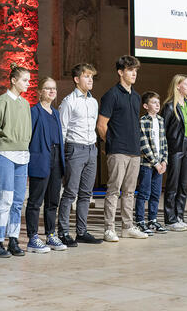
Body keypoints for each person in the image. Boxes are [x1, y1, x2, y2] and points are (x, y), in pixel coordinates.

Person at [0, 63, 32, 258]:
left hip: (22, 155)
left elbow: (28, 130)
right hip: (4, 154)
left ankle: (13, 239)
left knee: (18, 201)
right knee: (5, 199)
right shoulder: (2, 101)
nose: (28, 84)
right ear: (13, 80)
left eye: (28, 80)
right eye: (24, 80)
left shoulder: (25, 104)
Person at [97, 55, 148, 240]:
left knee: (129, 191)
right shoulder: (111, 95)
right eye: (130, 70)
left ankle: (127, 226)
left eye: (135, 70)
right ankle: (109, 228)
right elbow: (102, 124)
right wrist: (110, 144)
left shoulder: (135, 96)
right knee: (113, 190)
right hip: (118, 150)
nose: (134, 73)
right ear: (120, 72)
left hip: (134, 151)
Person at [58, 63, 102, 246]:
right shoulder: (69, 101)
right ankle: (63, 233)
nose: (90, 79)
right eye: (86, 76)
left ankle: (82, 232)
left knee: (86, 193)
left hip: (91, 149)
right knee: (70, 193)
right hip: (74, 149)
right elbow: (62, 130)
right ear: (77, 79)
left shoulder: (93, 102)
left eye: (91, 76)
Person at [25, 77, 67, 253]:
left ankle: (50, 234)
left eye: (54, 88)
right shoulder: (34, 111)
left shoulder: (56, 113)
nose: (52, 91)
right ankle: (33, 237)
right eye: (48, 88)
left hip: (56, 158)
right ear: (40, 91)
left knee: (52, 200)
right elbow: (29, 137)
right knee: (36, 201)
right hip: (41, 158)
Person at [161, 75, 187, 232]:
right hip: (175, 148)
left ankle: (180, 216)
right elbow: (163, 131)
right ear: (177, 87)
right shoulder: (169, 107)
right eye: (186, 84)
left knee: (184, 184)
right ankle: (170, 219)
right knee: (172, 184)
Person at [135, 91, 168, 235]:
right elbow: (144, 144)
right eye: (153, 102)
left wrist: (164, 160)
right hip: (147, 165)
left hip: (159, 164)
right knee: (144, 193)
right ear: (145, 105)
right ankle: (140, 221)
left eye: (158, 102)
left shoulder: (160, 120)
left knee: (156, 193)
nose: (157, 105)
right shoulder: (143, 121)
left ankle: (152, 220)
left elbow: (164, 142)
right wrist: (155, 163)